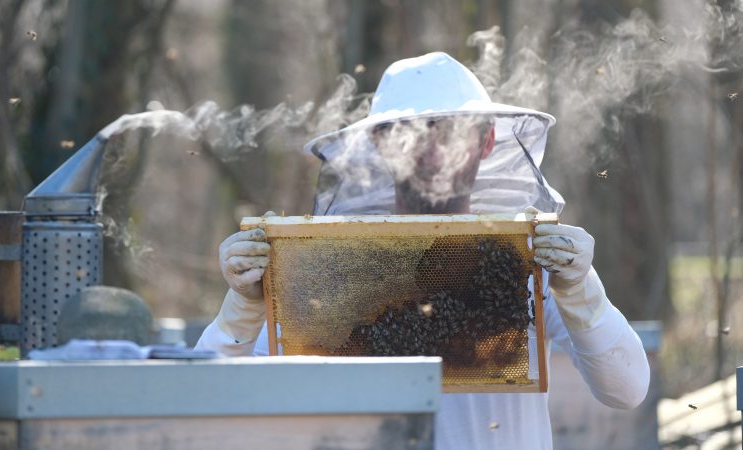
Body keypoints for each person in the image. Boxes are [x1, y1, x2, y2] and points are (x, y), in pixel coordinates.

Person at [196, 52, 650, 450]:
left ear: (486, 140)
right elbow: (210, 400)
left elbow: (628, 389)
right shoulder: (329, 266)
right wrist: (242, 309)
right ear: (380, 144)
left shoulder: (529, 258)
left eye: (450, 132)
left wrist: (580, 292)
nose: (432, 152)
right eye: (411, 134)